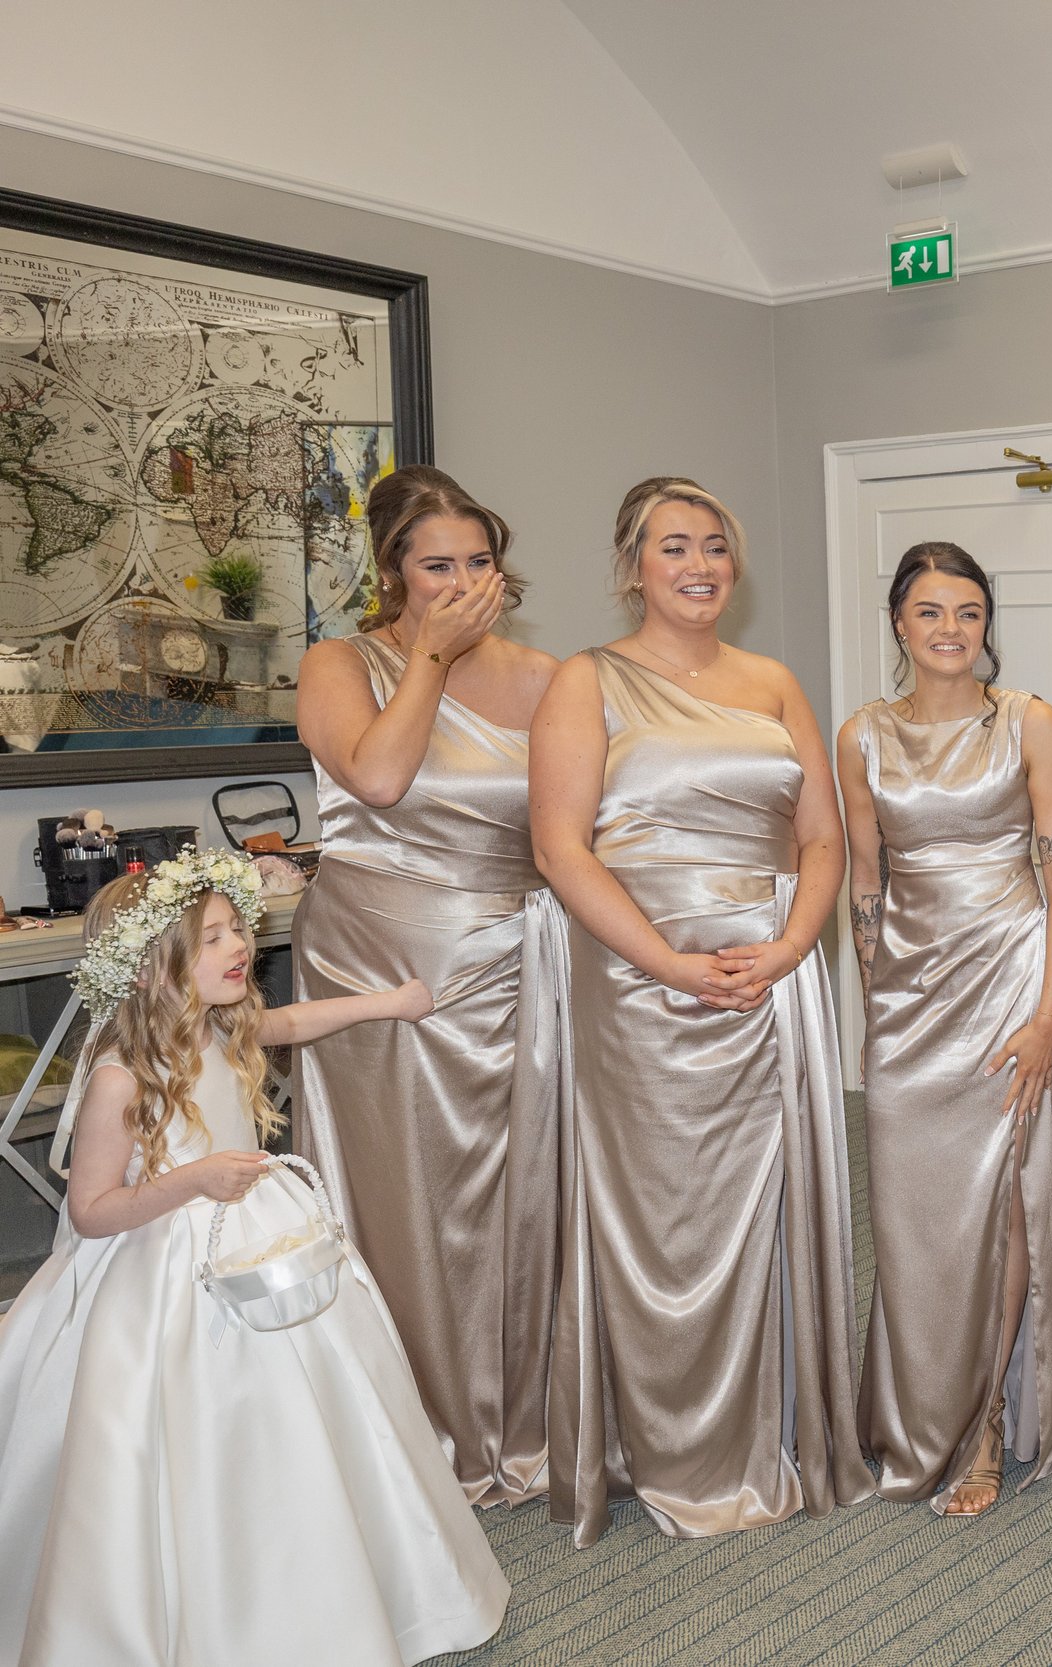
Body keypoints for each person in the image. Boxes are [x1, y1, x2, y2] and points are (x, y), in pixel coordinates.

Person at [0, 856, 507, 1664]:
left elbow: (296, 1021)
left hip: (262, 1240)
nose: (240, 945)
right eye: (213, 937)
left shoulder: (222, 1028)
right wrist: (193, 1178)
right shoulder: (121, 1079)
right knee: (191, 1428)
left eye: (237, 928)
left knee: (315, 1400)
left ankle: (323, 1570)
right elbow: (92, 1210)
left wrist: (391, 1003)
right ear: (151, 968)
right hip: (162, 1267)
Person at [531, 475, 870, 1543]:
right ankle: (660, 1446)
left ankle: (766, 1434)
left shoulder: (773, 682)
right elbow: (560, 849)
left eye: (715, 545)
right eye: (674, 545)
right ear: (632, 566)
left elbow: (823, 836)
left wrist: (795, 944)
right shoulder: (586, 680)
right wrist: (670, 965)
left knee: (762, 1202)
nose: (700, 564)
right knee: (660, 1212)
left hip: (771, 975)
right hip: (641, 981)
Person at [293, 464, 562, 1505]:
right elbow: (378, 776)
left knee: (518, 1190)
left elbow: (583, 823)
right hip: (376, 961)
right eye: (436, 565)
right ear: (393, 572)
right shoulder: (339, 663)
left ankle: (520, 1410)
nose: (461, 584)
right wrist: (430, 660)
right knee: (404, 1195)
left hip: (512, 958)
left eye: (477, 562)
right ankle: (406, 1428)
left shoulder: (543, 676)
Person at [840, 541, 1052, 1515]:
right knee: (913, 1215)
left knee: (1004, 1206)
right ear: (899, 623)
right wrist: (877, 1000)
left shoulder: (1029, 722)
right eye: (929, 611)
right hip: (907, 1004)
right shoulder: (861, 736)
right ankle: (918, 1406)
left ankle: (985, 1420)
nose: (950, 629)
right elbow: (864, 880)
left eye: (967, 611)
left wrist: (1050, 1014)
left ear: (985, 623)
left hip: (1008, 987)